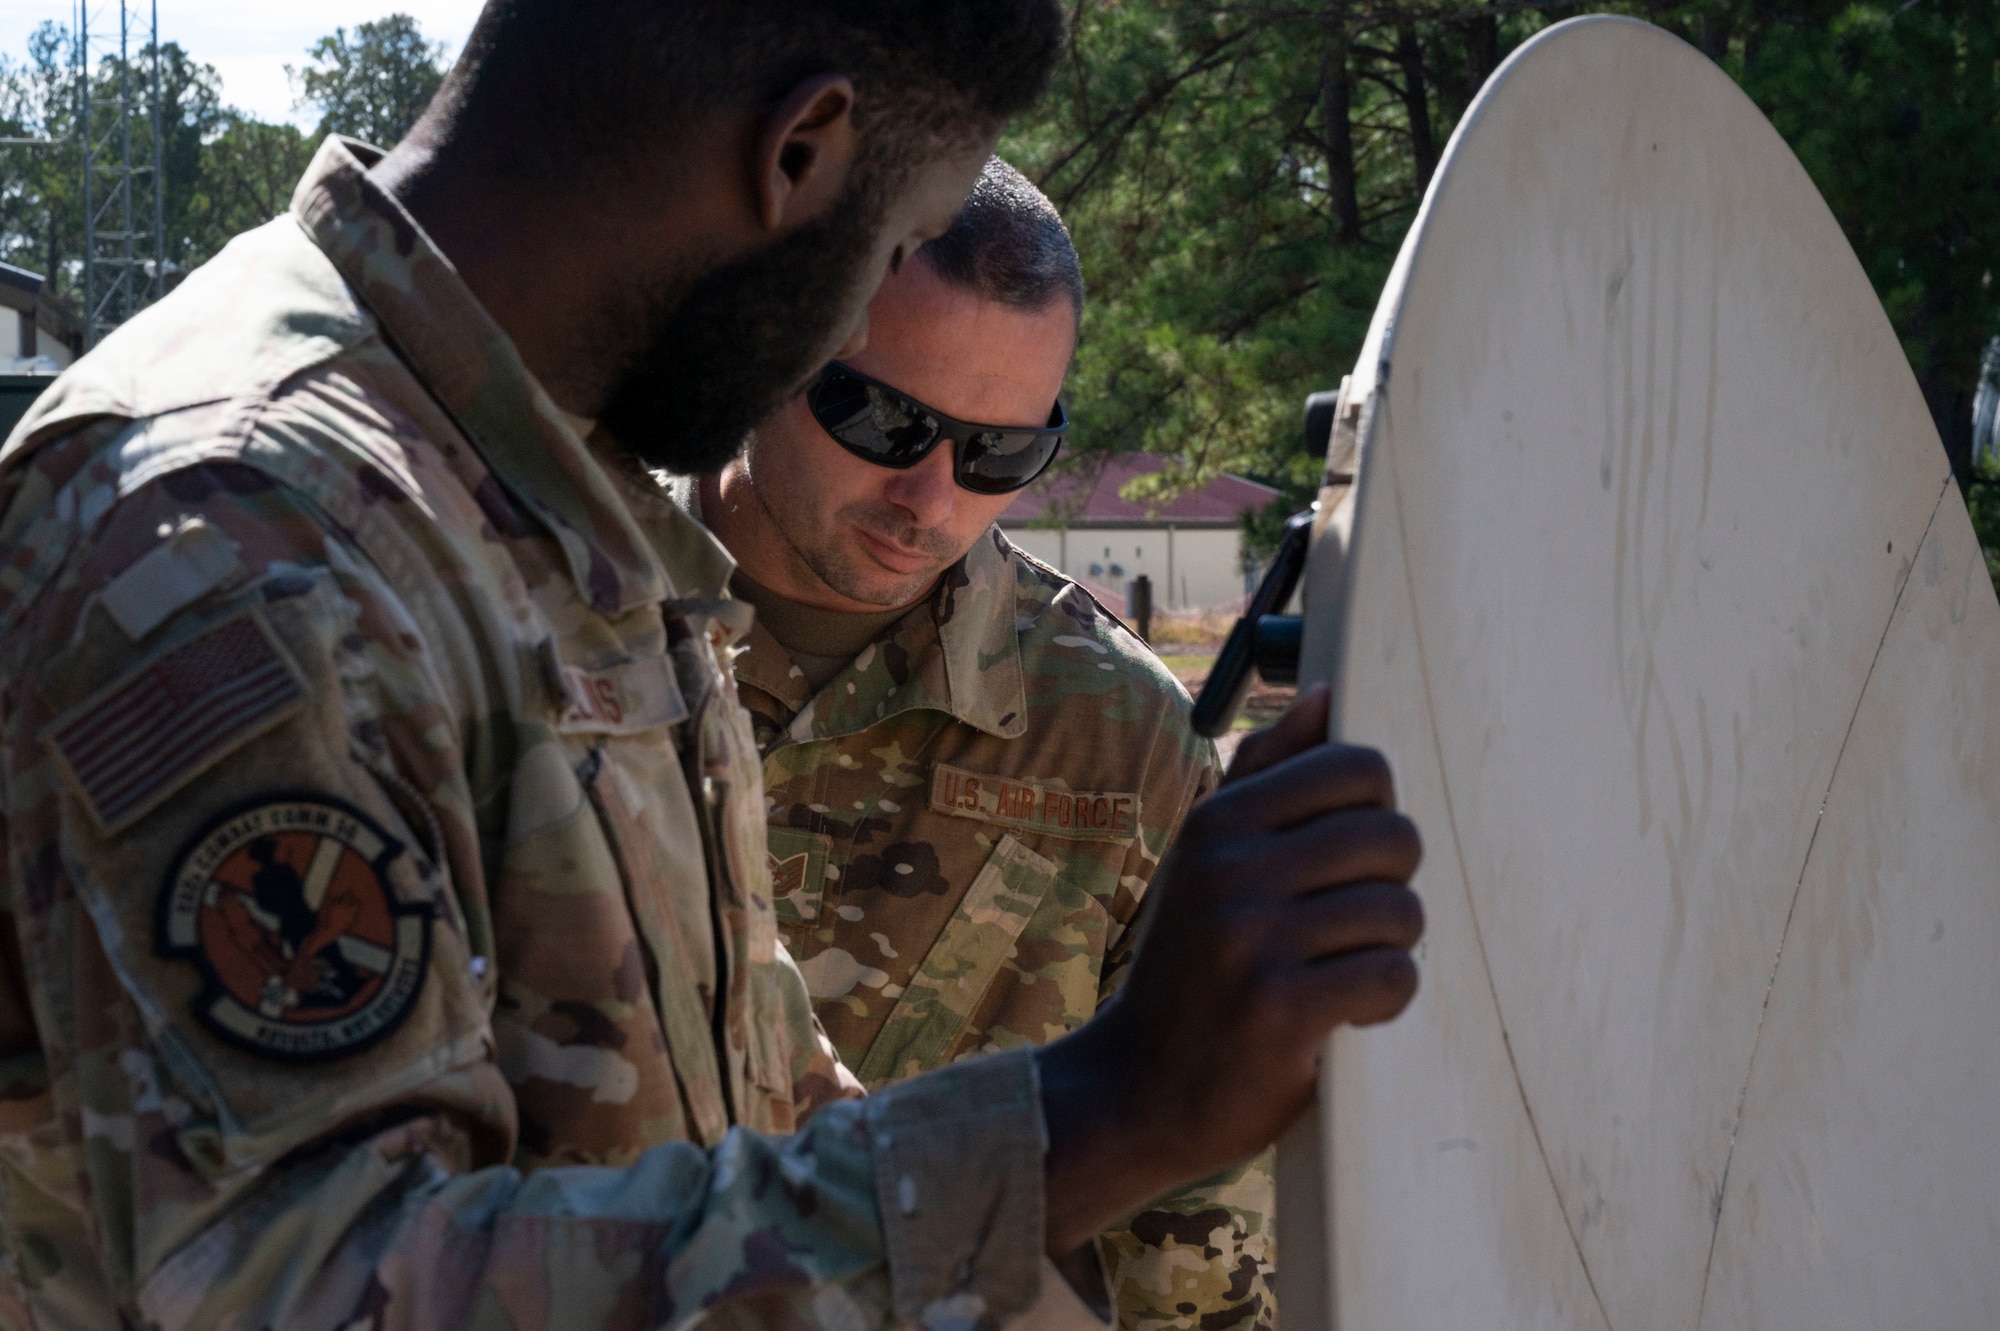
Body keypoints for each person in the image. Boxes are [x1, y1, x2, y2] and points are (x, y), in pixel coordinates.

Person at [0, 3, 1425, 1328]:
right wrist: (1110, 1104)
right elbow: (321, 1287)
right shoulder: (240, 530)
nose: (930, 489)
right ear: (799, 150)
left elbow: (751, 1113)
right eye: (890, 249)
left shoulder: (556, 502)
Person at [691, 159, 1272, 1331]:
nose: (933, 496)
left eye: (1001, 453)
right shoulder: (547, 635)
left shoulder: (1115, 742)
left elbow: (1197, 1237)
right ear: (766, 348)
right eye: (882, 418)